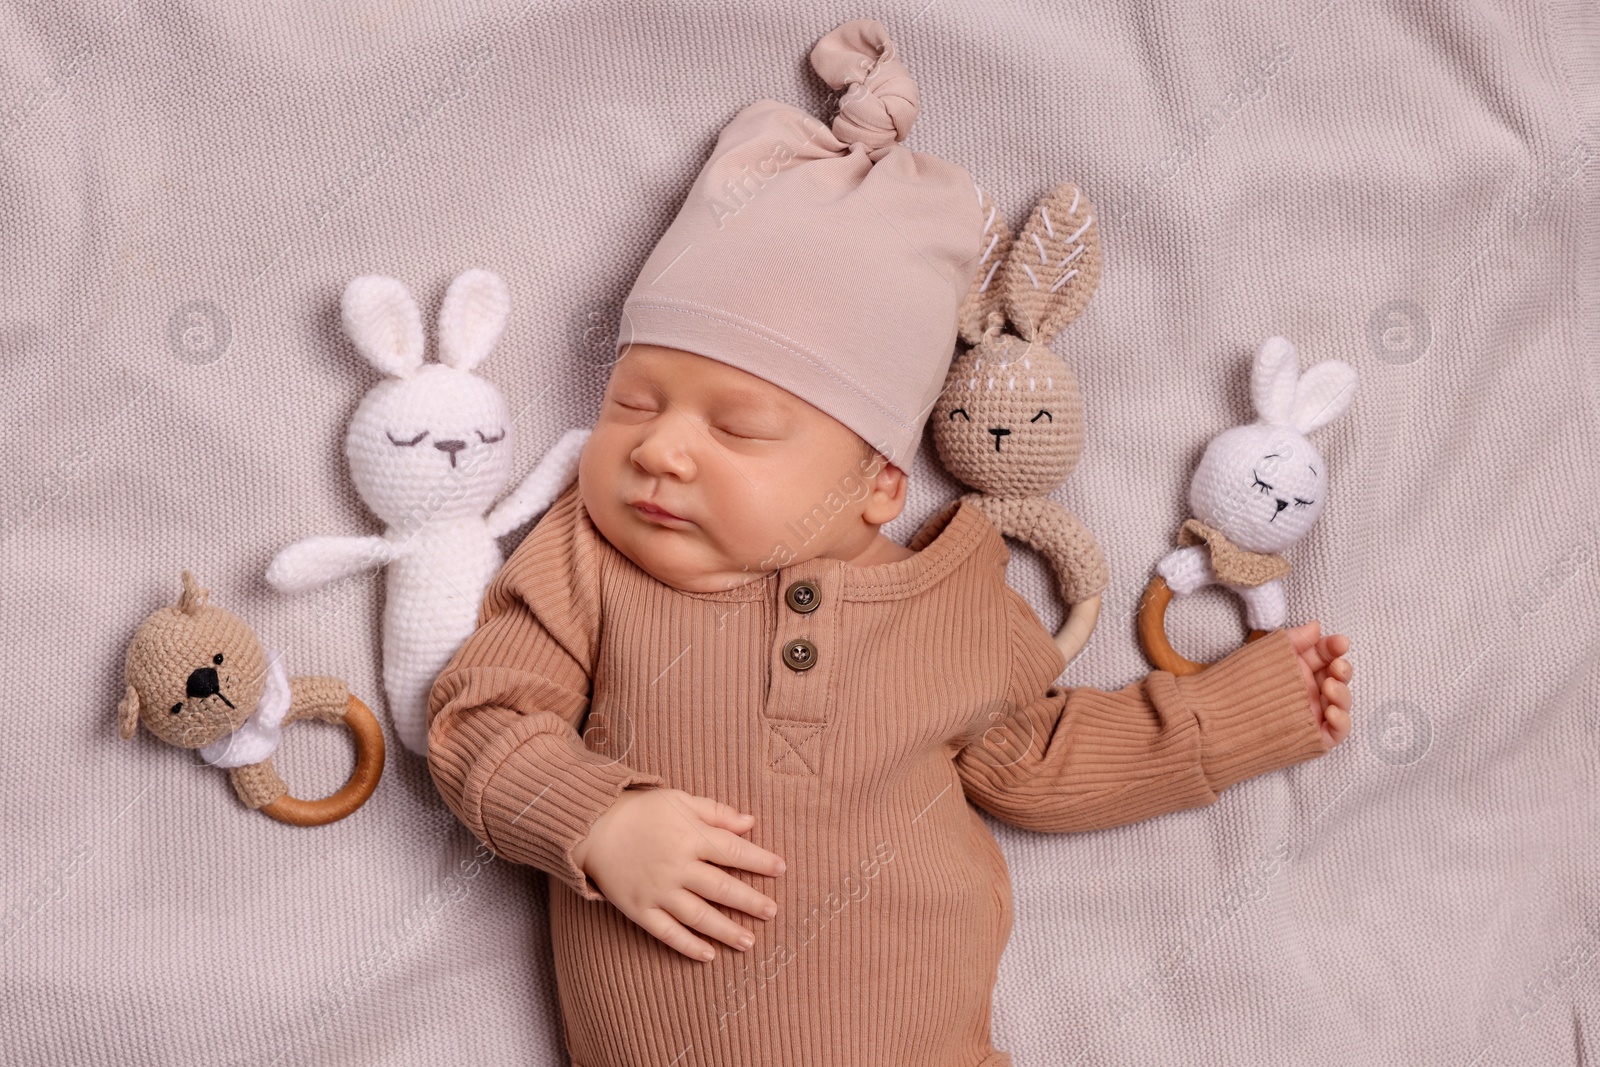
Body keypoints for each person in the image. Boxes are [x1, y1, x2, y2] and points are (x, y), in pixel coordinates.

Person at [426, 19, 1353, 1067]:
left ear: (876, 486)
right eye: (633, 404)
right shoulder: (588, 559)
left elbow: (1040, 754)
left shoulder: (950, 597)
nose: (660, 452)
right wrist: (591, 819)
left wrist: (1241, 714)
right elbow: (478, 718)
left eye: (734, 426)